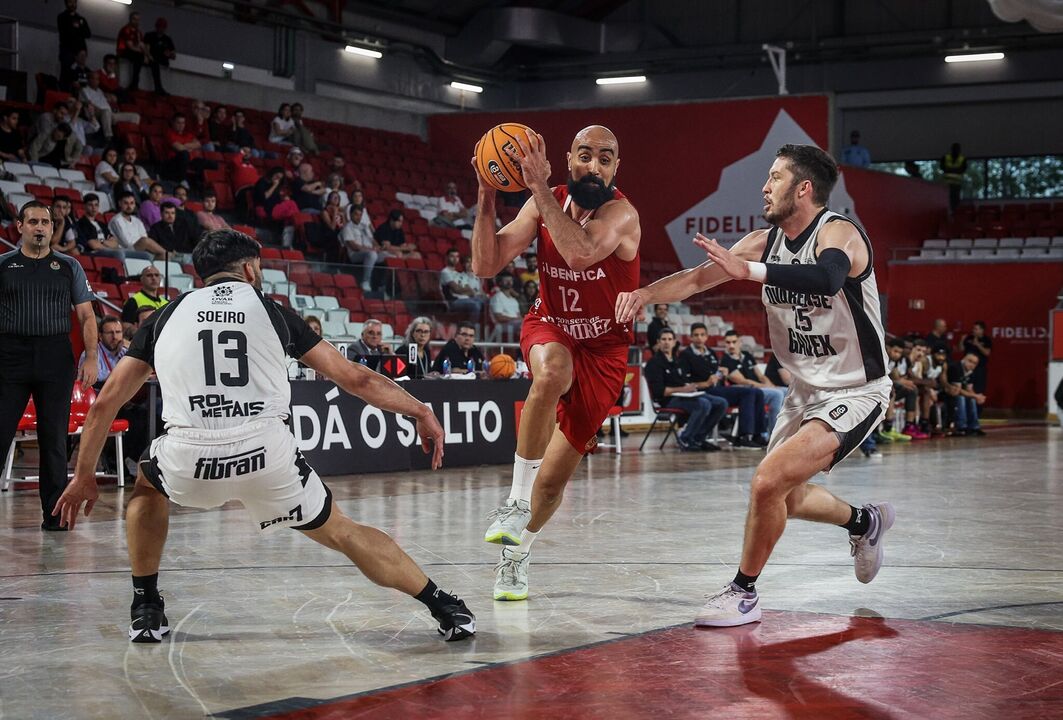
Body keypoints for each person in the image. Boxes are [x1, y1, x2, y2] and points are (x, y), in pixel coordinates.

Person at [52, 229, 475, 644]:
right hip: (266, 459)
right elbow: (356, 379)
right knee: (343, 531)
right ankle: (443, 605)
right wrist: (420, 411)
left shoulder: (166, 315)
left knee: (147, 486)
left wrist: (84, 474)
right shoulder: (272, 312)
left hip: (191, 459)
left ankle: (145, 606)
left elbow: (106, 402)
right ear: (251, 270)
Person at [616, 143, 894, 627]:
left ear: (803, 188)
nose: (765, 188)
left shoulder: (839, 232)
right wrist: (643, 294)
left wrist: (749, 271)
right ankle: (864, 522)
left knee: (766, 481)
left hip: (855, 389)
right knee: (783, 495)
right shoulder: (763, 241)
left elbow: (827, 278)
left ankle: (743, 593)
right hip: (802, 391)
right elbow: (695, 280)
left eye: (775, 177)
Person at [473, 125, 640, 601]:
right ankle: (513, 502)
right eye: (585, 155)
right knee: (551, 372)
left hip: (604, 350)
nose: (594, 166)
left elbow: (579, 252)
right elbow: (485, 265)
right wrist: (487, 194)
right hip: (552, 324)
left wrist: (538, 187)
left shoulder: (622, 214)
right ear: (568, 159)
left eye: (605, 158)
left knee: (550, 485)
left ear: (616, 167)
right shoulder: (545, 201)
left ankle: (518, 553)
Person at [0, 201, 97, 531]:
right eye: (33, 222)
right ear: (20, 226)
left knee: (55, 440)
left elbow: (86, 316)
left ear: (52, 228)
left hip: (55, 356)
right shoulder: (4, 265)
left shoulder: (69, 266)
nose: (40, 227)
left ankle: (54, 518)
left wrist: (92, 356)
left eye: (46, 222)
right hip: (9, 355)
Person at [679, 322, 768, 448]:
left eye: (702, 335)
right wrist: (705, 383)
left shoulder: (711, 352)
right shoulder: (685, 355)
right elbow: (686, 382)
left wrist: (723, 374)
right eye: (696, 335)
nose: (699, 338)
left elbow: (716, 373)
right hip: (703, 391)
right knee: (748, 393)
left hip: (718, 388)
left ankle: (758, 435)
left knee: (757, 392)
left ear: (707, 336)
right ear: (691, 337)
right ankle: (744, 435)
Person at [78, 315, 149, 471]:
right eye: (110, 333)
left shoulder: (125, 353)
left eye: (118, 332)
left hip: (123, 403)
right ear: (100, 335)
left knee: (149, 415)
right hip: (99, 403)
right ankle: (115, 460)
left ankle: (134, 461)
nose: (115, 337)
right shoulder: (91, 355)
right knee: (135, 420)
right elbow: (94, 380)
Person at [644, 328, 727, 451]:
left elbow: (684, 381)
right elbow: (660, 392)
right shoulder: (654, 363)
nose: (666, 342)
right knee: (703, 404)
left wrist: (692, 387)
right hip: (668, 400)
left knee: (721, 403)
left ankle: (698, 438)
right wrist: (684, 389)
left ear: (674, 342)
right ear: (658, 342)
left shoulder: (677, 360)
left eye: (669, 339)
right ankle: (685, 438)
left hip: (686, 395)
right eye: (663, 339)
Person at [720, 329, 785, 437]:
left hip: (760, 387)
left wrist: (771, 385)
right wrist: (766, 386)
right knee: (777, 394)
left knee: (785, 391)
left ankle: (787, 430)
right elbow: (743, 381)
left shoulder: (747, 355)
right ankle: (774, 434)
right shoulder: (725, 360)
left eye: (734, 342)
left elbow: (760, 376)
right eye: (728, 342)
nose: (731, 345)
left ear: (740, 342)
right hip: (747, 390)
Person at [109, 192, 167, 260]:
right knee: (145, 241)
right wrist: (141, 242)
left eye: (131, 203)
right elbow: (126, 243)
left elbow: (145, 236)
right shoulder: (116, 220)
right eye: (126, 203)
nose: (129, 206)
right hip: (126, 250)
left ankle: (166, 255)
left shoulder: (137, 220)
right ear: (120, 203)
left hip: (141, 249)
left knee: (163, 256)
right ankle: (167, 253)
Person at [947, 352, 986, 436]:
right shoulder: (955, 368)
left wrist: (977, 397)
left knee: (971, 399)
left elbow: (969, 389)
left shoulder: (971, 372)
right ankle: (961, 427)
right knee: (961, 397)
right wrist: (976, 396)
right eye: (970, 361)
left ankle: (974, 427)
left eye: (975, 363)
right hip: (946, 392)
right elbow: (958, 390)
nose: (972, 365)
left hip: (957, 392)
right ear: (964, 359)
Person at [120, 265, 169, 333]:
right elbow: (126, 326)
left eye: (156, 275)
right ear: (141, 279)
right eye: (149, 275)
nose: (153, 278)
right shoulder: (133, 301)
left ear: (160, 279)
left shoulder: (166, 303)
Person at [440, 248, 485, 319]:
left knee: (485, 301)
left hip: (465, 299)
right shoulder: (445, 272)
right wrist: (464, 290)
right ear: (447, 257)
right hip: (453, 301)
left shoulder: (457, 273)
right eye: (452, 256)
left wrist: (463, 290)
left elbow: (469, 290)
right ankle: (473, 325)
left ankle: (483, 324)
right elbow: (456, 289)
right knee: (475, 305)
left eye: (457, 256)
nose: (455, 259)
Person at [340, 204, 378, 291]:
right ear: (350, 214)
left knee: (387, 255)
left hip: (369, 251)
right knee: (372, 255)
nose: (359, 217)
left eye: (360, 215)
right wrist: (370, 249)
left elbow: (373, 240)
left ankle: (382, 285)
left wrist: (378, 247)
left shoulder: (364, 226)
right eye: (356, 214)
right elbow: (354, 247)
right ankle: (365, 281)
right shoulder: (347, 227)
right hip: (355, 254)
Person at [116, 12, 151, 92]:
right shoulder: (126, 30)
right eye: (134, 19)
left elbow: (142, 45)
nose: (136, 22)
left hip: (134, 52)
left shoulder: (138, 32)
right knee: (139, 56)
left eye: (138, 20)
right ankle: (135, 83)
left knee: (151, 61)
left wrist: (148, 56)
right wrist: (143, 54)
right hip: (123, 51)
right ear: (130, 19)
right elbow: (130, 46)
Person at [143, 18, 175, 95]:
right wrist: (148, 56)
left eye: (163, 27)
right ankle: (158, 88)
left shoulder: (167, 39)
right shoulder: (150, 35)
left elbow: (173, 54)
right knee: (154, 63)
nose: (161, 29)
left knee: (156, 63)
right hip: (152, 58)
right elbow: (146, 48)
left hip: (162, 60)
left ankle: (159, 88)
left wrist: (170, 54)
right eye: (159, 27)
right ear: (156, 27)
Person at [57, 0, 91, 72]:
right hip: (67, 51)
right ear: (66, 4)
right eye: (70, 2)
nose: (72, 4)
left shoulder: (81, 19)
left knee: (78, 73)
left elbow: (88, 34)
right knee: (67, 73)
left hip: (80, 52)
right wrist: (78, 29)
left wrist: (77, 29)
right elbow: (65, 33)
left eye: (74, 2)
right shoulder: (62, 17)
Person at [490, 271, 524, 341]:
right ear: (500, 282)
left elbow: (519, 316)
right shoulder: (497, 297)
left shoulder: (514, 300)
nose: (509, 282)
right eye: (506, 280)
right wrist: (516, 319)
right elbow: (499, 318)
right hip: (502, 325)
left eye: (510, 280)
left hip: (516, 324)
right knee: (522, 324)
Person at [961, 321, 992, 394]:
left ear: (982, 330)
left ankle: (977, 400)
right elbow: (961, 349)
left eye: (976, 329)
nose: (973, 330)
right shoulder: (969, 338)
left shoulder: (986, 340)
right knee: (966, 388)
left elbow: (987, 353)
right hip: (967, 368)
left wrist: (978, 344)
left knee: (978, 389)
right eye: (973, 328)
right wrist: (962, 340)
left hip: (979, 369)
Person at [940, 143, 967, 214]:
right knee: (946, 200)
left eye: (957, 149)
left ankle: (954, 213)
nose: (956, 150)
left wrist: (949, 169)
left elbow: (962, 170)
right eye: (955, 149)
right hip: (946, 185)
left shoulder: (962, 159)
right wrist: (955, 169)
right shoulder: (945, 158)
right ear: (952, 149)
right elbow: (942, 168)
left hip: (956, 185)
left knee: (955, 201)